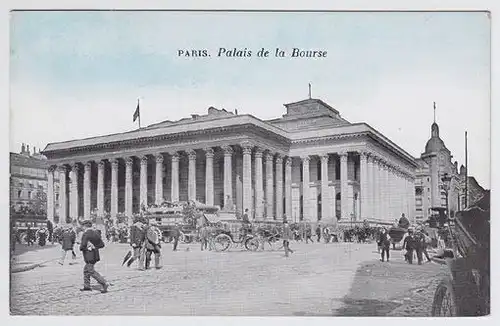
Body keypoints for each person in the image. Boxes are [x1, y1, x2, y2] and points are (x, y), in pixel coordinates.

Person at [79, 220, 109, 293]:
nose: (81, 227)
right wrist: (94, 246)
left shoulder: (86, 234)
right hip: (95, 255)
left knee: (91, 271)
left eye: (82, 226)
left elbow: (82, 246)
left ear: (84, 226)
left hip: (89, 255)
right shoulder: (96, 233)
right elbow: (102, 245)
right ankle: (87, 286)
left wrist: (85, 247)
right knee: (86, 270)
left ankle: (104, 283)